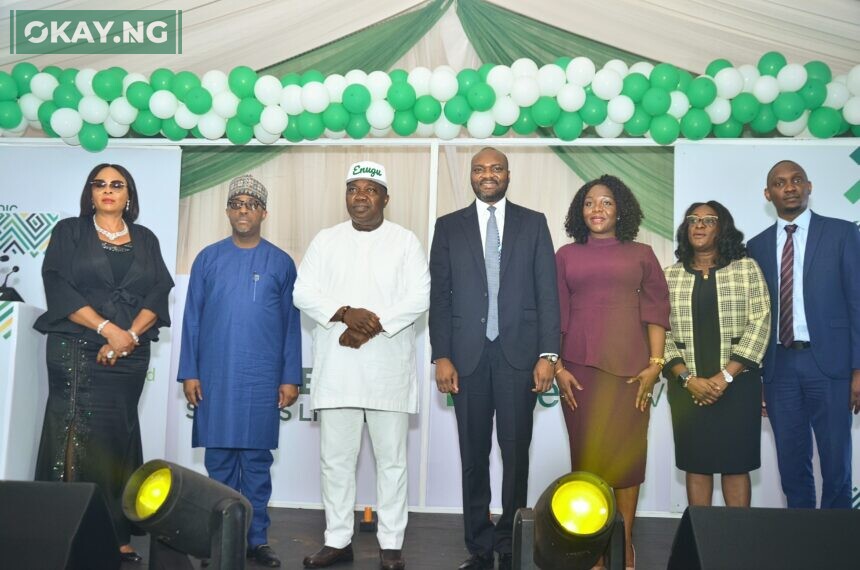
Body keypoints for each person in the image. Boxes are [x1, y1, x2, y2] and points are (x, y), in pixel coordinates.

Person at [34, 163, 174, 563]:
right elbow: (57, 283)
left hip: (130, 353)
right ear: (90, 192)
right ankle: (65, 530)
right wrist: (107, 329)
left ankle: (116, 532)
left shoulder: (146, 238)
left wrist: (127, 336)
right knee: (73, 435)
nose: (109, 190)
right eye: (100, 184)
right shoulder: (70, 232)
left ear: (129, 195)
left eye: (118, 185)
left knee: (118, 437)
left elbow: (160, 289)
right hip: (76, 347)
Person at [294, 161, 429, 570]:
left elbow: (419, 296)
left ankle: (391, 543)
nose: (361, 196)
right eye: (354, 188)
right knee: (336, 461)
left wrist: (372, 327)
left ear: (386, 198)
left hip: (387, 370)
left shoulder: (405, 242)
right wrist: (344, 312)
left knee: (392, 462)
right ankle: (337, 540)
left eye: (371, 189)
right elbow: (303, 292)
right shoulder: (325, 240)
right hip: (338, 369)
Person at [429, 148, 559, 570]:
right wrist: (441, 356)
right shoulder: (448, 227)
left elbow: (547, 294)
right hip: (466, 356)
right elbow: (440, 298)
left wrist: (548, 354)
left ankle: (510, 538)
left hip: (519, 355)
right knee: (473, 453)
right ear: (471, 176)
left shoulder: (533, 222)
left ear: (508, 174)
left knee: (516, 451)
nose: (488, 175)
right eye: (480, 169)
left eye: (496, 168)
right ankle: (479, 543)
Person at [177, 174, 301, 567]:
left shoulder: (281, 262)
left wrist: (289, 376)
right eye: (236, 204)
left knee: (257, 465)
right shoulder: (208, 258)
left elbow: (290, 326)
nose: (243, 210)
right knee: (219, 465)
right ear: (228, 212)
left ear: (263, 212)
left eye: (250, 204)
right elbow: (192, 319)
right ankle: (219, 540)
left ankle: (255, 539)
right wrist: (190, 372)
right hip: (215, 376)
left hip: (261, 378)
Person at [554, 174, 669, 569]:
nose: (597, 209)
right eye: (589, 203)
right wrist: (557, 366)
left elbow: (656, 312)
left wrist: (655, 366)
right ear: (578, 211)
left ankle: (624, 542)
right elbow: (557, 315)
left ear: (620, 208)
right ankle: (595, 547)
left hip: (632, 373)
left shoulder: (642, 253)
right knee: (589, 461)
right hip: (579, 373)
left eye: (605, 202)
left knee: (627, 461)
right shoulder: (565, 255)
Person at [748, 160, 860, 509]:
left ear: (809, 186)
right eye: (780, 183)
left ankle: (836, 544)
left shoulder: (842, 233)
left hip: (830, 366)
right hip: (779, 369)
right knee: (792, 465)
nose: (790, 187)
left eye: (797, 180)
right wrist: (760, 378)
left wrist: (858, 368)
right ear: (769, 194)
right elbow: (757, 315)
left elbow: (857, 301)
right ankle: (802, 541)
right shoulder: (757, 246)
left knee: (836, 464)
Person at [664, 201, 771, 508]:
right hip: (687, 388)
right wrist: (686, 379)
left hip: (738, 385)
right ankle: (700, 544)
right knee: (696, 464)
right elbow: (660, 331)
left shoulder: (746, 269)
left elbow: (761, 320)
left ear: (722, 228)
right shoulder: (668, 276)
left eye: (708, 220)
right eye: (693, 220)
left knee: (736, 465)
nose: (699, 225)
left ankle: (737, 545)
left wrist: (725, 376)